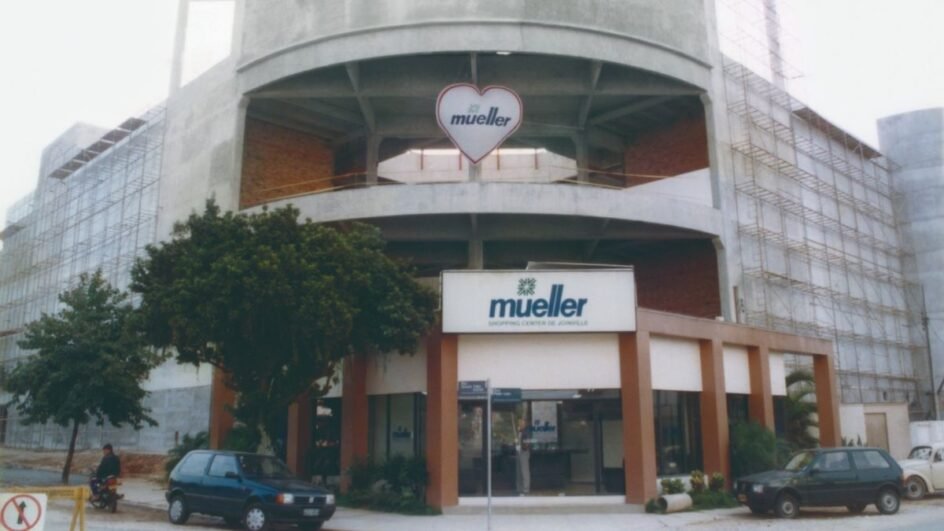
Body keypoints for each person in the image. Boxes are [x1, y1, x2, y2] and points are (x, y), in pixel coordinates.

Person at [515, 418, 531, 496]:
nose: (520, 424)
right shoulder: (519, 432)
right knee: (519, 471)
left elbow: (527, 443)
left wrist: (521, 446)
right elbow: (518, 441)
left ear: (524, 424)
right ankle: (519, 489)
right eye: (519, 423)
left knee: (524, 471)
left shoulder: (526, 432)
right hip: (518, 452)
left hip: (524, 452)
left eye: (521, 423)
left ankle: (525, 489)